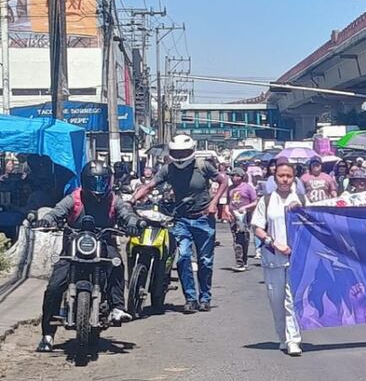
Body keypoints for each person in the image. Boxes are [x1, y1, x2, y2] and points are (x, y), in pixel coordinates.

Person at [33, 161, 143, 352]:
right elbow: (57, 211)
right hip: (73, 245)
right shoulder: (74, 198)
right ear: (85, 182)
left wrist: (133, 222)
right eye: (95, 183)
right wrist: (47, 219)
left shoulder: (114, 200)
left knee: (117, 266)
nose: (99, 187)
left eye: (103, 182)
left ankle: (117, 307)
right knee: (54, 287)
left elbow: (126, 213)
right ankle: (47, 335)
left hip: (104, 243)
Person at [132, 134, 229, 314]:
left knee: (205, 261)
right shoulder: (168, 169)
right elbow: (150, 185)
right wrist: (133, 199)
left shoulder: (203, 166)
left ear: (191, 151)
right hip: (181, 218)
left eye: (183, 151)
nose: (180, 155)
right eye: (177, 152)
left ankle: (205, 297)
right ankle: (190, 298)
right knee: (183, 257)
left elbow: (224, 180)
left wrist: (215, 202)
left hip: (203, 218)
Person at [250, 162, 306, 355]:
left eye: (288, 176)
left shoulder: (300, 199)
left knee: (291, 301)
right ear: (275, 178)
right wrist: (272, 242)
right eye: (281, 175)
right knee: (276, 300)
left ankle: (293, 340)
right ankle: (282, 337)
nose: (285, 179)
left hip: (296, 258)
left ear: (294, 178)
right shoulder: (266, 200)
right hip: (273, 258)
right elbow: (257, 227)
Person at [226, 168, 258, 272]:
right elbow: (227, 202)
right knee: (236, 238)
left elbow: (255, 202)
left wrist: (245, 207)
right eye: (232, 176)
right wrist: (227, 210)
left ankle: (244, 260)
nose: (233, 178)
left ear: (241, 177)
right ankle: (239, 262)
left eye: (235, 175)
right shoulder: (230, 188)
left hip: (245, 216)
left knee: (244, 238)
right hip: (234, 217)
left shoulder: (248, 188)